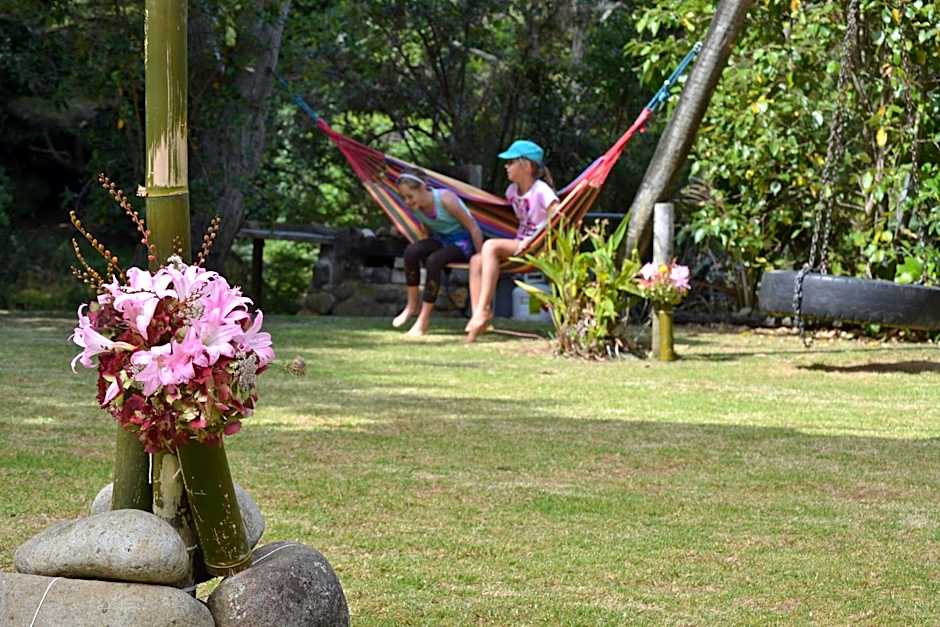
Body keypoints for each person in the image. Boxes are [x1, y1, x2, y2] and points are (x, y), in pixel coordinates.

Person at [465, 140, 558, 342]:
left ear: (525, 165)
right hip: (520, 244)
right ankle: (479, 317)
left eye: (510, 162)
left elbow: (557, 218)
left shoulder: (541, 190)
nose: (506, 166)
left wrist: (534, 239)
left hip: (536, 246)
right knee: (476, 261)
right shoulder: (511, 192)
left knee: (490, 246)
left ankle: (483, 310)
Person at [392, 168, 484, 337]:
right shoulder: (415, 206)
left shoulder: (445, 199)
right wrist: (424, 246)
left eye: (409, 196)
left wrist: (480, 257)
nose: (407, 201)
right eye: (403, 197)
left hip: (463, 243)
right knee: (412, 251)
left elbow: (474, 227)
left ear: (423, 188)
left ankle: (423, 320)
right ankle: (412, 306)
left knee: (434, 261)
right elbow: (429, 228)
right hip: (442, 240)